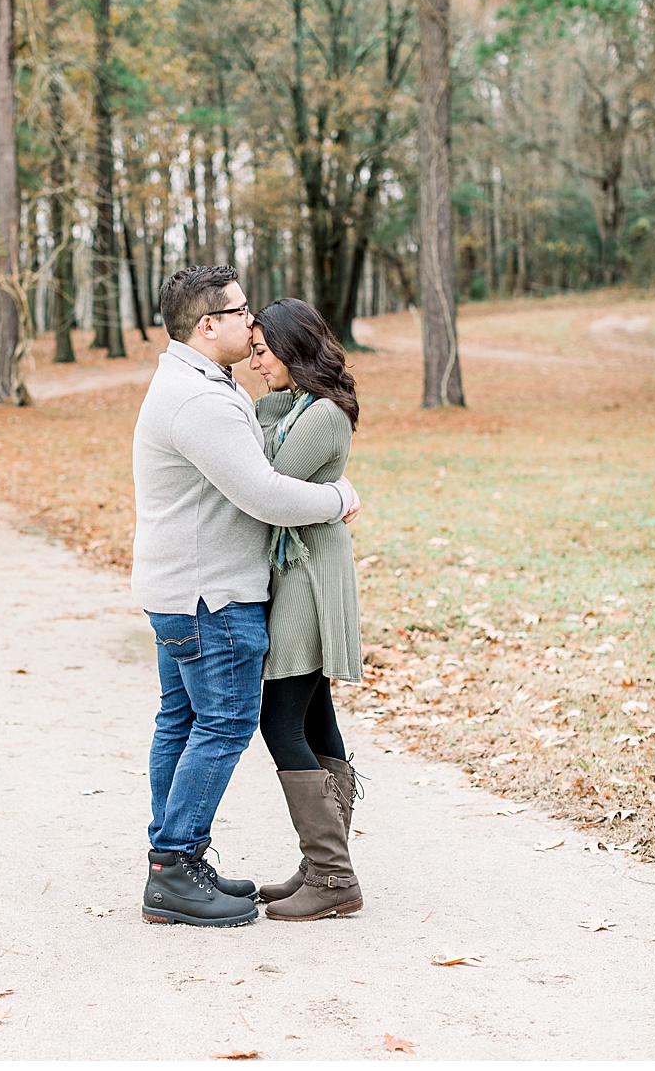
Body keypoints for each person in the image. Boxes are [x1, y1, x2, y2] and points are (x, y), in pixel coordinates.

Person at [132, 265, 360, 928]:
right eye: (240, 312)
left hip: (185, 588)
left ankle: (178, 861)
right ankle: (175, 866)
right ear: (210, 324)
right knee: (227, 723)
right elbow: (263, 493)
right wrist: (341, 496)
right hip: (210, 595)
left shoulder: (195, 382)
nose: (248, 321)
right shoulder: (201, 400)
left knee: (182, 723)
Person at [244, 298, 365, 922]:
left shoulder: (320, 414)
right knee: (315, 715)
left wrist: (255, 423)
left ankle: (333, 872)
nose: (256, 363)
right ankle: (325, 863)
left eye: (264, 352)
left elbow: (266, 482)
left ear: (294, 349)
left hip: (310, 573)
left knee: (278, 718)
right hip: (300, 566)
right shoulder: (292, 406)